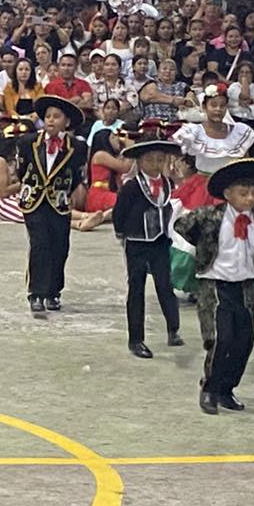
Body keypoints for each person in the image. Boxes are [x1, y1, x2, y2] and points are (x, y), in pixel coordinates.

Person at [173, 157, 254, 416]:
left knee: (244, 340)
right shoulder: (209, 216)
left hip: (246, 285)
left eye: (253, 193)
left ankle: (227, 388)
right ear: (228, 194)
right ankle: (210, 387)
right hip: (216, 284)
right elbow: (182, 226)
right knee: (221, 338)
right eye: (243, 193)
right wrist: (204, 250)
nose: (250, 198)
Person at [112, 133, 186, 358]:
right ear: (139, 161)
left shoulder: (168, 184)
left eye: (159, 160)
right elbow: (119, 212)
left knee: (165, 285)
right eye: (149, 160)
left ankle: (173, 328)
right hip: (137, 242)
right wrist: (122, 233)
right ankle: (136, 339)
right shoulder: (132, 186)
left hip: (161, 241)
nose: (155, 165)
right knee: (137, 289)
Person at [18, 96, 88, 317]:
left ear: (66, 122)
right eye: (47, 116)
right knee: (40, 244)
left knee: (60, 246)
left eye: (56, 116)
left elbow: (77, 176)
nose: (50, 120)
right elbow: (21, 170)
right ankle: (36, 293)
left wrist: (63, 191)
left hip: (59, 202)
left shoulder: (77, 147)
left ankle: (53, 291)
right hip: (34, 200)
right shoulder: (27, 142)